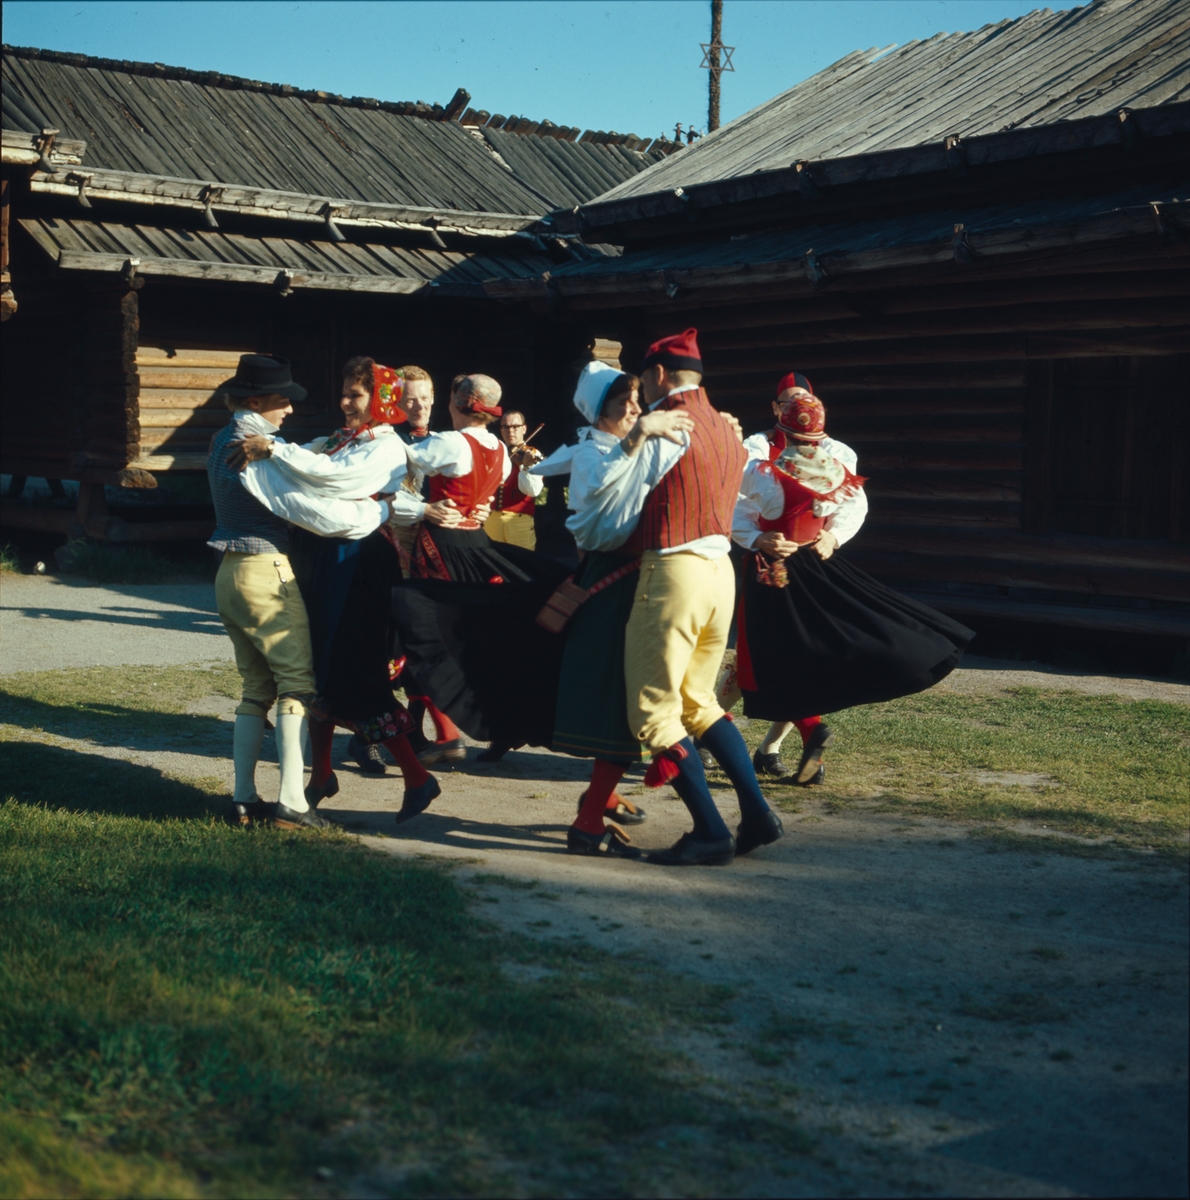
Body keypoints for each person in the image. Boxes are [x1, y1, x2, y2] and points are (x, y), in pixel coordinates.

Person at [231, 357, 455, 826]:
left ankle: (416, 776)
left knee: (357, 669)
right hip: (324, 557)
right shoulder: (339, 439)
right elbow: (311, 461)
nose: (345, 402)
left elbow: (331, 479)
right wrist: (275, 449)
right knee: (320, 665)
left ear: (381, 402)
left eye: (355, 395)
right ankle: (323, 775)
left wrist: (275, 452)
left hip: (359, 561)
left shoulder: (386, 447)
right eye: (346, 393)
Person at [610, 329, 784, 866]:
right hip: (719, 571)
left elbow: (613, 496)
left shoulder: (668, 426)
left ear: (659, 374)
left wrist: (633, 436)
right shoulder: (728, 429)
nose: (640, 388)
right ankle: (756, 812)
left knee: (654, 713)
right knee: (699, 702)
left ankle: (709, 830)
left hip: (675, 569)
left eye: (643, 377)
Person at [732, 380, 974, 744]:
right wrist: (817, 535)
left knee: (768, 654)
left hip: (776, 568)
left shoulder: (764, 473)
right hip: (813, 564)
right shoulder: (835, 471)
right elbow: (851, 502)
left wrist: (771, 537)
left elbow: (728, 496)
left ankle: (747, 731)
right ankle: (780, 743)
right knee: (811, 648)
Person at [541, 363, 696, 858]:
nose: (633, 408)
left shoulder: (633, 443)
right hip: (612, 584)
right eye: (622, 401)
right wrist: (639, 441)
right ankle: (587, 824)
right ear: (598, 410)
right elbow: (601, 514)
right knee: (621, 699)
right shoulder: (591, 454)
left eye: (635, 399)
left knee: (628, 697)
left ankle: (600, 798)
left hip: (636, 581)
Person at [730, 371, 869, 784]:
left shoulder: (824, 458)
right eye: (788, 400)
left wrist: (833, 536)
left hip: (795, 567)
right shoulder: (760, 452)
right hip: (789, 566)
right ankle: (788, 738)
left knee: (773, 654)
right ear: (776, 409)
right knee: (784, 652)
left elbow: (852, 506)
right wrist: (760, 537)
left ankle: (786, 736)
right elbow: (735, 504)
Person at [206, 354, 318, 830]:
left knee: (256, 689)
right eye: (282, 400)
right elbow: (301, 506)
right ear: (255, 401)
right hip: (265, 569)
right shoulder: (256, 447)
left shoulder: (220, 439)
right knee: (297, 684)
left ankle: (244, 797)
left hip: (228, 572)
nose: (290, 408)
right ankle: (293, 800)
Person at [484, 409, 544, 550]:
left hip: (519, 521)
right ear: (501, 429)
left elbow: (533, 491)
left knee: (522, 565)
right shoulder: (494, 452)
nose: (511, 431)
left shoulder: (532, 454)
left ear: (524, 429)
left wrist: (526, 467)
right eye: (506, 426)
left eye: (515, 427)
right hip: (492, 520)